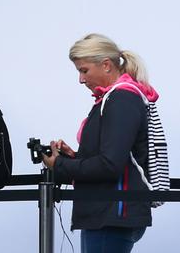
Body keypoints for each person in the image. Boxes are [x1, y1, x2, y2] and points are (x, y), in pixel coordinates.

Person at [43, 33, 157, 253]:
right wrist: (75, 158)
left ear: (106, 65)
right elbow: (115, 158)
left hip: (110, 215)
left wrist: (60, 164)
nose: (81, 79)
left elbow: (109, 165)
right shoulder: (115, 98)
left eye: (83, 70)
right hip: (110, 213)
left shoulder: (121, 98)